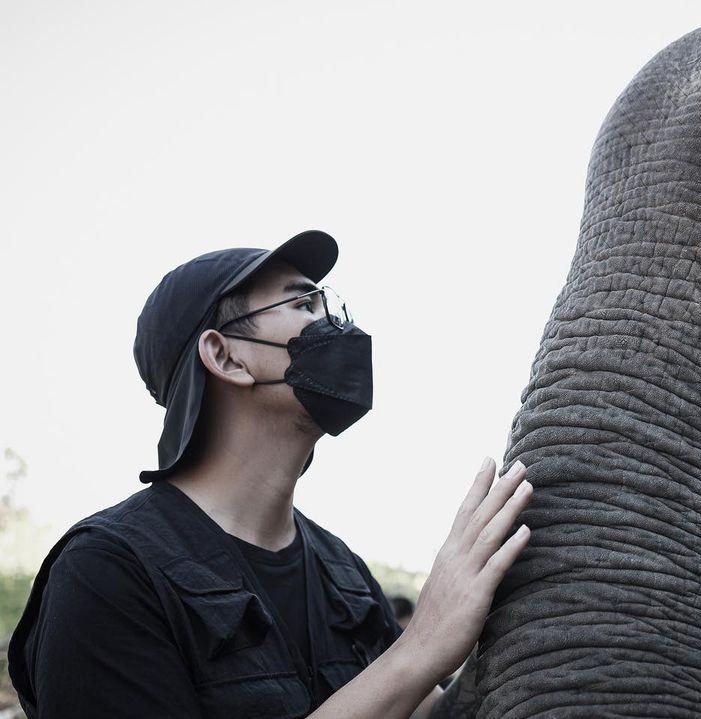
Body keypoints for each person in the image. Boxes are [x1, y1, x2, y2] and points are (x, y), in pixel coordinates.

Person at [6, 230, 532, 719]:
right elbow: (414, 664)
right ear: (224, 356)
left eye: (330, 304)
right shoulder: (107, 573)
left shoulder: (341, 572)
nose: (338, 326)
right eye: (304, 304)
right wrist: (423, 646)